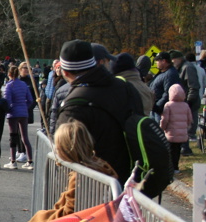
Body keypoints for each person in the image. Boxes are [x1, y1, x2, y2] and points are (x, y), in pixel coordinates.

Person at [55, 39, 143, 185]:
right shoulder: (126, 87)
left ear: (65, 72)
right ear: (97, 63)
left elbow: (66, 152)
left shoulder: (74, 106)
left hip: (92, 185)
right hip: (131, 179)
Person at [28, 119, 116, 222]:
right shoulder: (101, 165)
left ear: (66, 149)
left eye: (58, 147)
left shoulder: (80, 176)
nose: (55, 151)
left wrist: (40, 217)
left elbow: (69, 213)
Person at [3, 65, 33, 169]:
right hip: (23, 112)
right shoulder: (23, 84)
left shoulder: (9, 86)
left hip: (13, 113)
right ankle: (30, 161)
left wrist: (8, 110)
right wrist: (24, 107)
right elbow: (30, 100)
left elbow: (7, 101)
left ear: (9, 74)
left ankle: (13, 161)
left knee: (13, 137)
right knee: (25, 137)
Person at [160, 84, 191, 174]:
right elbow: (189, 119)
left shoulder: (168, 105)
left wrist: (162, 128)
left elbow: (165, 119)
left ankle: (170, 167)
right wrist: (186, 127)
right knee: (177, 150)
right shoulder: (185, 105)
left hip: (171, 132)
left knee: (169, 150)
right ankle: (176, 167)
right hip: (181, 132)